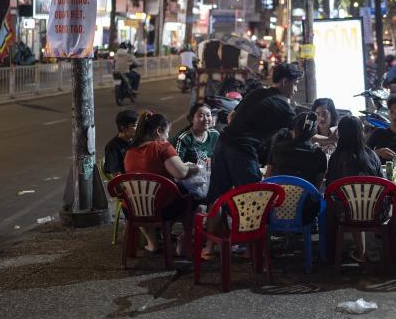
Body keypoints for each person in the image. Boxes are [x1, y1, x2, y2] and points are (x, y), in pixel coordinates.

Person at [205, 63, 303, 205]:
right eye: (295, 84)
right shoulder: (283, 106)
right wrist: (329, 139)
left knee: (218, 199)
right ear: (285, 82)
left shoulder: (257, 93)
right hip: (242, 150)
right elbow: (301, 133)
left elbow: (231, 116)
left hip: (223, 144)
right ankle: (249, 227)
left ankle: (213, 227)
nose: (296, 89)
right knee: (254, 200)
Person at [124, 111, 200, 252]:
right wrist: (196, 168)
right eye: (167, 133)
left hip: (133, 209)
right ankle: (185, 240)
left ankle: (152, 243)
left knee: (148, 200)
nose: (167, 137)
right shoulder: (162, 147)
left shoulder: (130, 151)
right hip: (161, 208)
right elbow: (181, 173)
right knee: (192, 198)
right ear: (159, 131)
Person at [326, 116, 382, 262]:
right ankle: (375, 250)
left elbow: (330, 188)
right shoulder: (372, 155)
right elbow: (383, 184)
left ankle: (354, 252)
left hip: (347, 214)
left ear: (340, 134)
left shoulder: (336, 158)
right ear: (361, 132)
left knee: (345, 204)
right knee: (367, 203)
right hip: (375, 212)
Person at [267, 111, 328, 192]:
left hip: (275, 201)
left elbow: (267, 179)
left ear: (294, 129)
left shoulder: (277, 148)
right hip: (304, 203)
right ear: (314, 133)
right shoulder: (320, 155)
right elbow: (316, 189)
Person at [367, 93, 396, 162]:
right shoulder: (378, 133)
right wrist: (378, 152)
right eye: (392, 112)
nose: (394, 116)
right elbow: (363, 155)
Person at [103, 109, 138, 175]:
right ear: (124, 128)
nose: (138, 128)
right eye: (134, 125)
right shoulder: (112, 147)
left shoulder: (134, 141)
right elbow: (116, 175)